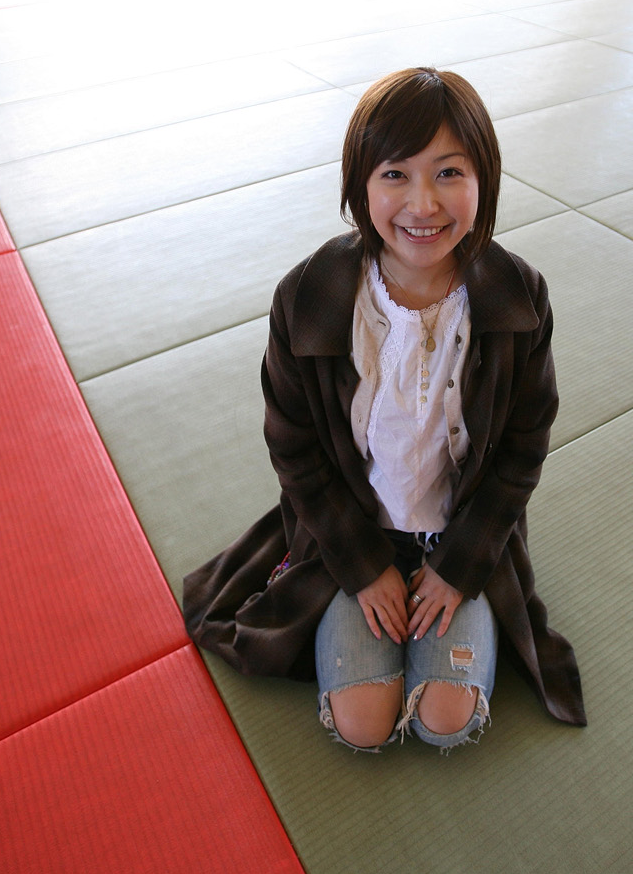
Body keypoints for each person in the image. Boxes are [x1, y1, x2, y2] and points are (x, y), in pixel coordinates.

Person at [183, 67, 586, 751]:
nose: (423, 204)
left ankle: (463, 595)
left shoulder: (519, 295)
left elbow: (523, 449)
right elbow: (294, 451)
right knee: (363, 725)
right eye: (395, 174)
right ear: (360, 185)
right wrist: (364, 567)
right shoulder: (308, 296)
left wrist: (460, 566)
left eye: (449, 172)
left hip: (460, 536)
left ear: (484, 180)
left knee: (445, 721)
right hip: (349, 532)